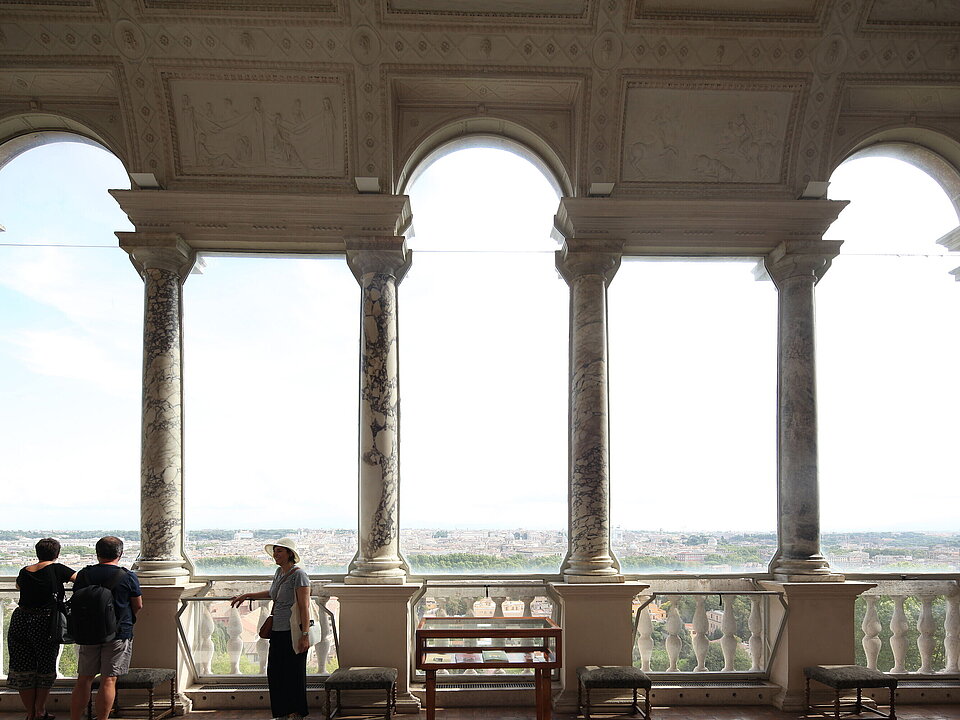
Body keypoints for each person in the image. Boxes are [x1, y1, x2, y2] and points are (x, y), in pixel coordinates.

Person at [230, 537, 311, 720]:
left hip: (293, 631)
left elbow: (304, 606)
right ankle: (282, 712)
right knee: (275, 672)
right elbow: (272, 593)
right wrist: (249, 595)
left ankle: (296, 712)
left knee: (294, 673)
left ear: (290, 554)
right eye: (274, 551)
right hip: (277, 630)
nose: (275, 554)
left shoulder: (299, 575)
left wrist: (305, 634)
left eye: (279, 551)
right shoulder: (279, 573)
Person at [69, 537, 142, 720]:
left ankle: (75, 718)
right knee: (109, 679)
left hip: (87, 632)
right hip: (118, 632)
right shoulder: (128, 576)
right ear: (120, 553)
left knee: (84, 679)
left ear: (97, 553)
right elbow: (138, 605)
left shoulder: (84, 575)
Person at [7, 538, 76, 720]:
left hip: (21, 619)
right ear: (57, 554)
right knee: (45, 666)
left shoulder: (25, 571)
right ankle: (40, 710)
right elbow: (79, 580)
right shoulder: (57, 568)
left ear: (37, 553)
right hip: (45, 622)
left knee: (23, 666)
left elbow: (18, 586)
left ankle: (30, 713)